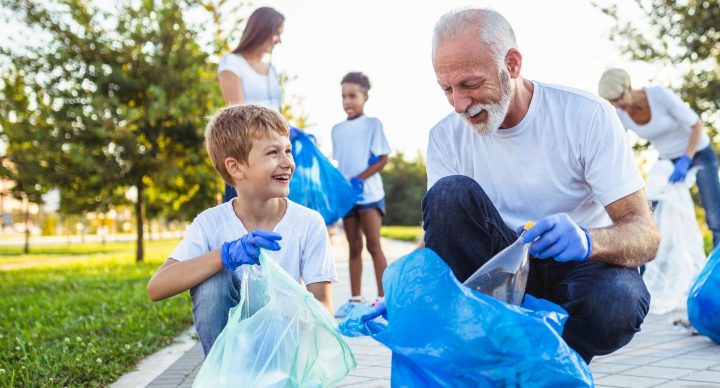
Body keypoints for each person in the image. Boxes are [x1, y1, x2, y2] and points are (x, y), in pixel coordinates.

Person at [405, 8, 659, 364]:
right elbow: (441, 231)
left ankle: (551, 363)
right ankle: (505, 355)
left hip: (578, 267)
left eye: (471, 84)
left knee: (617, 301)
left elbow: (645, 235)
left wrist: (589, 240)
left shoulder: (585, 115)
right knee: (447, 194)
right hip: (497, 267)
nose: (460, 104)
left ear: (512, 64)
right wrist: (408, 286)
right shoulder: (446, 137)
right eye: (447, 89)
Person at [147, 105, 337, 356]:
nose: (287, 162)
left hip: (284, 348)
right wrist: (224, 255)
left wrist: (318, 318)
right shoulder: (210, 224)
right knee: (212, 281)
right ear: (236, 168)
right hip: (230, 357)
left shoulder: (308, 222)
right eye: (273, 153)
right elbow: (157, 287)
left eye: (288, 151)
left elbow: (323, 302)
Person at [598, 68, 720, 248]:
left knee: (714, 215)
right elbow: (620, 147)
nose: (617, 105)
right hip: (668, 161)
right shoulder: (621, 114)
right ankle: (646, 262)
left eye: (618, 98)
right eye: (612, 102)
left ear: (629, 87)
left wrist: (686, 158)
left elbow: (696, 125)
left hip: (698, 152)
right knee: (649, 212)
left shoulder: (659, 96)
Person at [331, 72, 391, 318]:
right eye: (344, 96)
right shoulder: (337, 129)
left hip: (369, 196)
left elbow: (383, 158)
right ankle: (355, 299)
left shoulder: (373, 124)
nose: (348, 101)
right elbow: (340, 164)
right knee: (353, 248)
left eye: (353, 96)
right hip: (348, 199)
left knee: (374, 246)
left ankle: (384, 299)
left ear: (365, 96)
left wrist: (360, 179)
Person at [217, 7, 284, 203]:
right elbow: (236, 115)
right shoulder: (232, 63)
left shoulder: (271, 70)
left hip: (274, 151)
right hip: (247, 152)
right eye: (277, 33)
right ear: (262, 30)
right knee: (242, 215)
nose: (279, 40)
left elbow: (278, 111)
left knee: (276, 211)